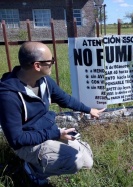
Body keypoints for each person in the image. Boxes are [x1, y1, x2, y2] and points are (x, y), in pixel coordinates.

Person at [0, 41, 105, 185]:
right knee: (75, 161)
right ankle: (33, 170)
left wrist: (88, 110)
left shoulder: (44, 81)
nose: (53, 63)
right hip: (27, 144)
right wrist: (55, 134)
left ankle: (43, 160)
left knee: (88, 162)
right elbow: (17, 140)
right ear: (37, 66)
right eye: (51, 61)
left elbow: (65, 99)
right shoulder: (8, 96)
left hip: (47, 132)